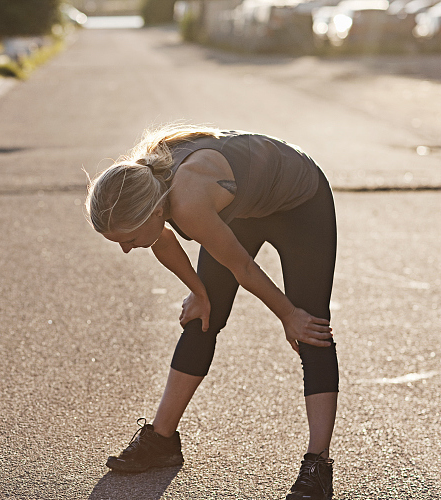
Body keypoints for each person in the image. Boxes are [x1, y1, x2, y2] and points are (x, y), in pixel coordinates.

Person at [85, 125, 339, 500]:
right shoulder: (146, 185)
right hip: (240, 204)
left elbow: (245, 270)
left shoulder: (188, 201)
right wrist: (199, 292)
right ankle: (162, 440)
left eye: (129, 240)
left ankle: (318, 464)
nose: (126, 250)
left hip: (299, 201)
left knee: (309, 324)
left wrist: (288, 315)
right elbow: (162, 238)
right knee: (201, 318)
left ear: (156, 211)